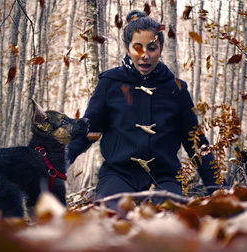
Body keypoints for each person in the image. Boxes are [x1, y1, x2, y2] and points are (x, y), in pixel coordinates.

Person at [67, 10, 218, 209]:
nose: (144, 55)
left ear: (161, 48)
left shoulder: (176, 89)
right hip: (118, 175)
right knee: (110, 216)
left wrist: (218, 190)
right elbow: (88, 131)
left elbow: (196, 143)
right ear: (128, 48)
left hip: (165, 179)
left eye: (152, 48)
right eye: (137, 47)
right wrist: (57, 163)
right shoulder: (109, 84)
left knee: (171, 220)